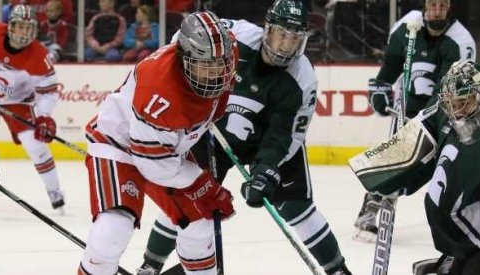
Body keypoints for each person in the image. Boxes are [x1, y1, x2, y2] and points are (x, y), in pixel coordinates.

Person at [137, 1, 352, 275]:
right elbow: (184, 39)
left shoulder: (303, 78)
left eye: (294, 38)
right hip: (214, 132)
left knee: (296, 206)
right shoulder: (235, 37)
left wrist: (265, 171)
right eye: (281, 35)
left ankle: (337, 270)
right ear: (267, 28)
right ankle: (150, 265)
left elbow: (284, 136)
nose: (286, 46)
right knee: (188, 197)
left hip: (268, 142)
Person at [77, 11, 238, 275]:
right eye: (203, 65)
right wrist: (201, 182)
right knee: (113, 229)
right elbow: (152, 164)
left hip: (168, 147)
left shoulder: (227, 50)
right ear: (184, 58)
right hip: (120, 144)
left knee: (202, 222)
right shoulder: (159, 89)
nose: (214, 74)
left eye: (219, 64)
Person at [354, 0, 476, 241]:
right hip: (407, 106)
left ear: (450, 8)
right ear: (425, 6)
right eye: (433, 5)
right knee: (397, 161)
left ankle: (458, 220)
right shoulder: (407, 26)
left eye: (442, 5)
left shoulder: (460, 41)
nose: (437, 11)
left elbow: (448, 92)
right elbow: (391, 65)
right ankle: (370, 209)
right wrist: (381, 87)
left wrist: (424, 118)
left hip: (442, 116)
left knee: (430, 168)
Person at [350, 60, 480, 275]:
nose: (458, 112)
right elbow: (417, 135)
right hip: (461, 242)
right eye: (452, 104)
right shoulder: (444, 113)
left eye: (465, 102)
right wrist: (386, 174)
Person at [0, 4, 65, 212]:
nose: (24, 32)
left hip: (18, 100)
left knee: (35, 145)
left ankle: (55, 191)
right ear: (10, 26)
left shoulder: (39, 56)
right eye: (20, 26)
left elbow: (49, 91)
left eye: (28, 28)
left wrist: (43, 117)